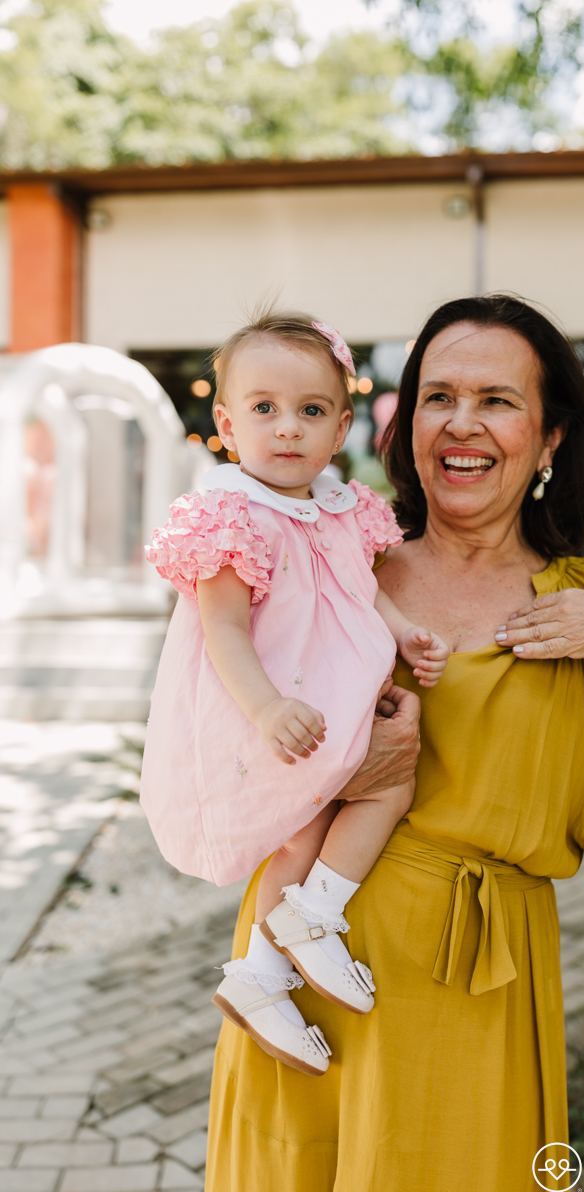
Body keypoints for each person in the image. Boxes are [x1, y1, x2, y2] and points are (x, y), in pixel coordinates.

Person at [203, 295, 584, 1192]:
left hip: (476, 981)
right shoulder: (333, 566)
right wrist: (336, 772)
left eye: (496, 398)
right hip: (302, 964)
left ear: (551, 435)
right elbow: (220, 720)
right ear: (404, 426)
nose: (461, 423)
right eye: (438, 396)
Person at [141, 312, 450, 1078]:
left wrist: (406, 630)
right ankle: (313, 914)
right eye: (264, 409)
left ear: (342, 425)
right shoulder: (229, 513)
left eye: (311, 411)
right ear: (226, 421)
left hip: (328, 698)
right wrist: (267, 710)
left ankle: (259, 974)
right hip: (269, 707)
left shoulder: (344, 508)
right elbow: (222, 631)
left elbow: (359, 589)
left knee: (320, 817)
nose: (287, 429)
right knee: (366, 794)